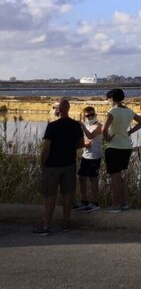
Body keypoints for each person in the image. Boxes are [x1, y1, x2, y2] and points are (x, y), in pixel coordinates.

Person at [34, 98, 84, 235]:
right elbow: (81, 144)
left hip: (52, 166)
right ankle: (66, 223)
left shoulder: (53, 126)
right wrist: (68, 147)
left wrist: (42, 164)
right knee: (68, 194)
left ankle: (46, 226)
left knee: (50, 196)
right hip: (69, 164)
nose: (54, 110)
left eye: (55, 108)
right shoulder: (75, 125)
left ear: (59, 110)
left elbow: (46, 149)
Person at [102, 88, 141, 212]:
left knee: (115, 177)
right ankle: (124, 203)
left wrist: (108, 139)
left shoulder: (112, 112)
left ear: (111, 99)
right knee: (121, 177)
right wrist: (129, 132)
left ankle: (116, 205)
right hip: (126, 146)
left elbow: (104, 130)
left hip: (114, 147)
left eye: (108, 99)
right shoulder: (129, 111)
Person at [72, 106, 102, 212]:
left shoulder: (98, 125)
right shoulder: (87, 126)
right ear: (85, 116)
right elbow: (85, 141)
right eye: (87, 115)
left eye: (92, 115)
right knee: (81, 177)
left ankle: (95, 202)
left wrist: (82, 125)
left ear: (95, 114)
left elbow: (90, 136)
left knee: (93, 178)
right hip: (86, 155)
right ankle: (84, 200)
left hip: (95, 156)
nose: (90, 117)